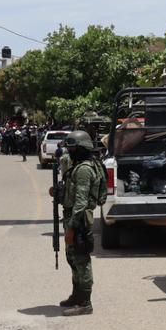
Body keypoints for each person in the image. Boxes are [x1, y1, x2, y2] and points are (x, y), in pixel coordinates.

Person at [57, 131, 104, 316]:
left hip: (79, 221)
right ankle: (76, 296)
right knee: (73, 258)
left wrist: (72, 227)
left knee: (81, 260)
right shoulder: (78, 167)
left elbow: (81, 201)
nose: (70, 151)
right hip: (73, 217)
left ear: (82, 148)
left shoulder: (84, 169)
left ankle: (85, 302)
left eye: (73, 148)